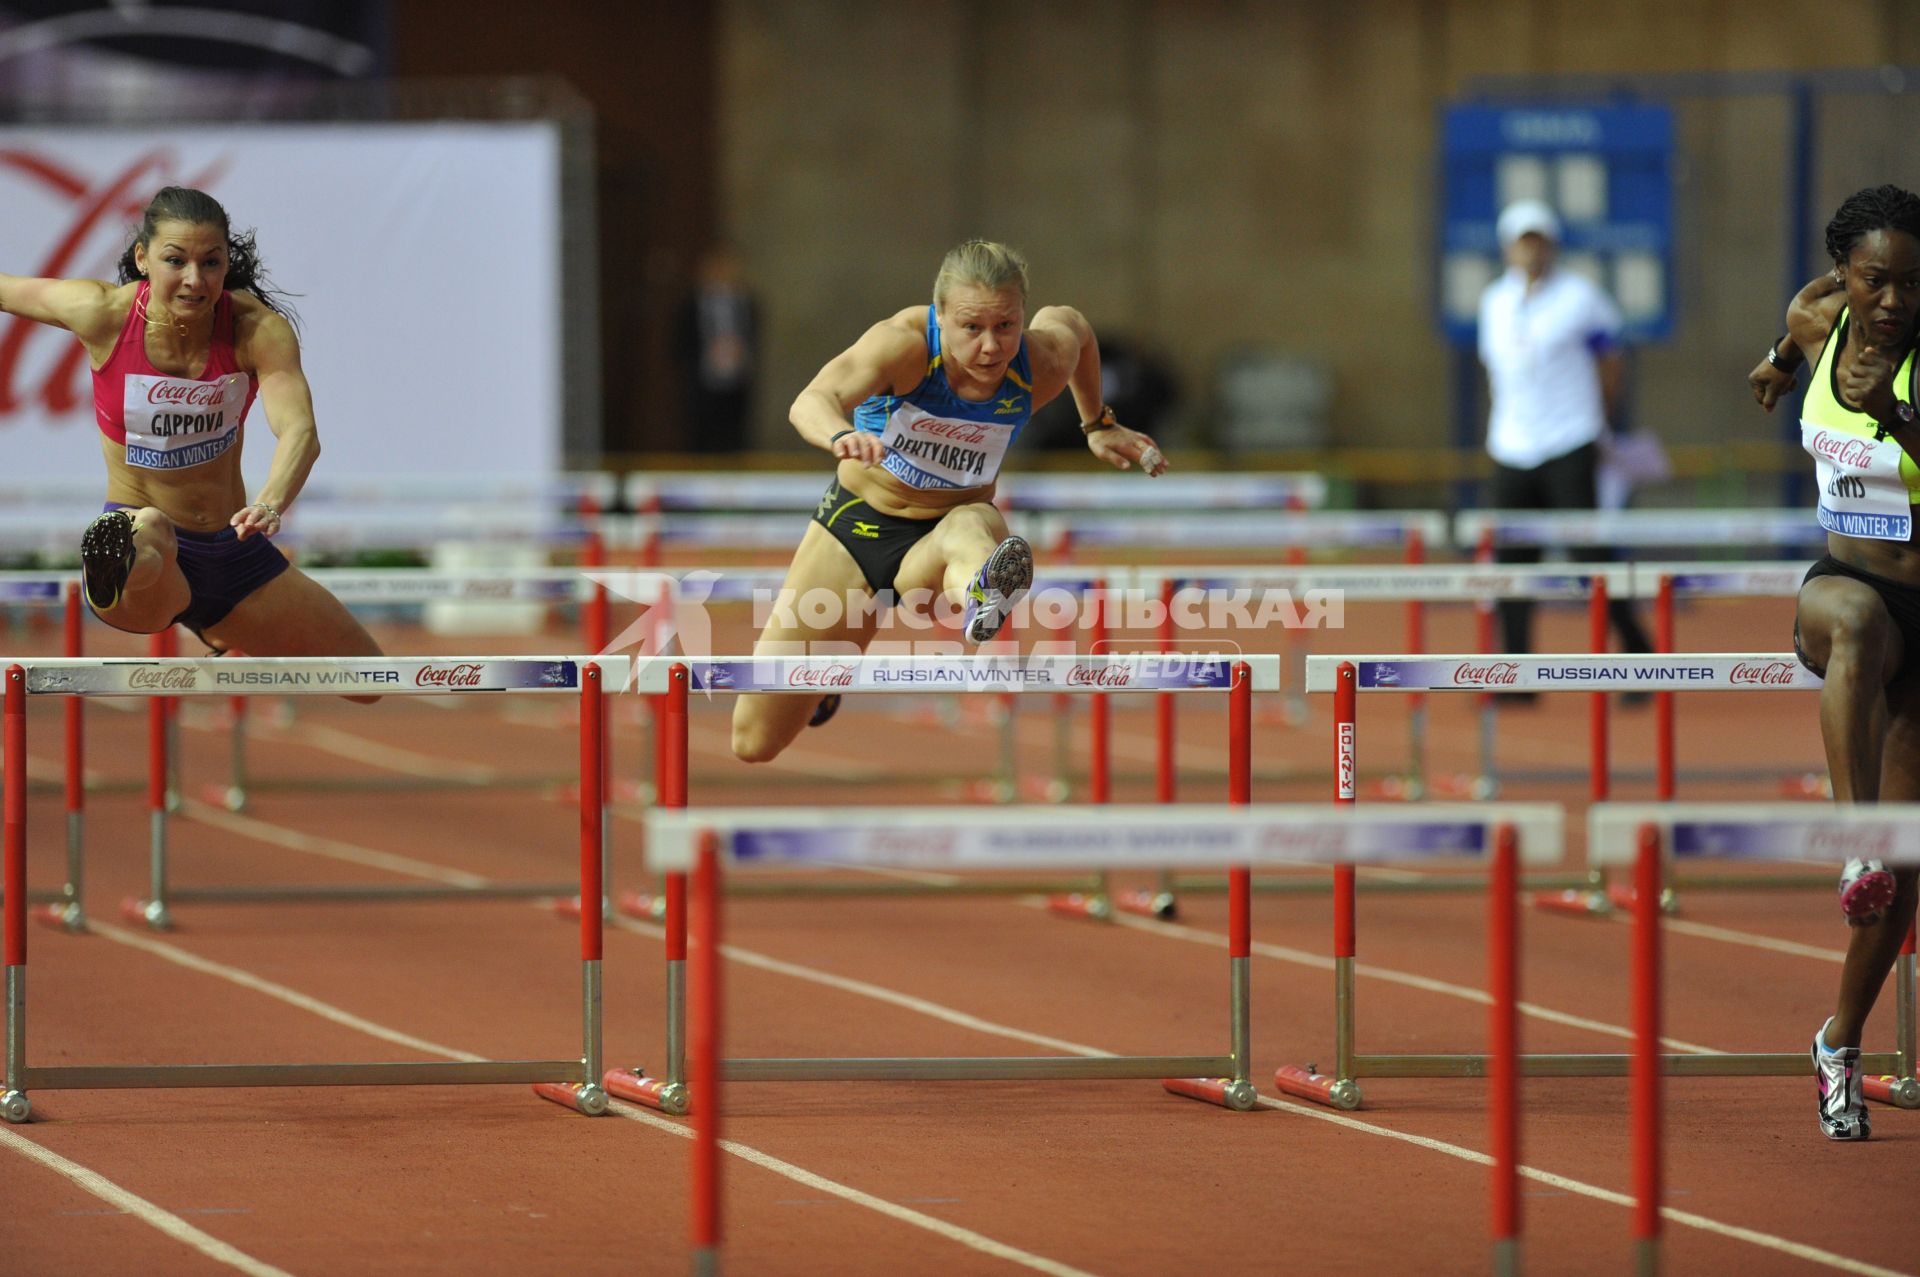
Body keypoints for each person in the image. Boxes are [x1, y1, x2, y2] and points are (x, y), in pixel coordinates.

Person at [730, 239, 1167, 764]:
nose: (990, 347)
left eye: (1005, 326)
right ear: (940, 317)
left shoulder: (1040, 362)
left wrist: (1097, 424)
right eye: (971, 327)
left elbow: (1076, 327)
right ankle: (826, 682)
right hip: (855, 531)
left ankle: (982, 594)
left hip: (947, 536)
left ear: (1021, 318)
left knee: (970, 527)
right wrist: (837, 433)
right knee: (753, 742)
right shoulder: (903, 346)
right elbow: (811, 401)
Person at [0, 185, 381, 675]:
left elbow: (300, 430)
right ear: (143, 258)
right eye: (175, 261)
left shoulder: (256, 330)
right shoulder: (101, 313)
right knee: (151, 527)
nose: (194, 281)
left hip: (235, 551)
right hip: (148, 558)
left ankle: (219, 626)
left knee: (367, 677)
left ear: (227, 263)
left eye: (211, 263)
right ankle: (115, 557)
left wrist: (270, 502)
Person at [1753, 183, 1920, 1141]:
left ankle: (1839, 1041)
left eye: (1910, 283)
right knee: (1852, 620)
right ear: (1842, 276)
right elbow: (1793, 342)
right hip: (1849, 583)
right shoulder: (1818, 317)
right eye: (1875, 280)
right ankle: (1852, 840)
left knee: (1902, 886)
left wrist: (1893, 421)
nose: (1893, 301)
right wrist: (1777, 367)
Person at [1477, 199, 1654, 678]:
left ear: (1551, 245)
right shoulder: (1493, 302)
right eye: (1521, 241)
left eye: (1538, 240)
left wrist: (1599, 421)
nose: (1530, 250)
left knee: (1590, 558)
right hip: (1511, 446)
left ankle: (1641, 656)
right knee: (1512, 564)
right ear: (1508, 248)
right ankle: (1516, 674)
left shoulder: (1581, 297)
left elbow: (1612, 361)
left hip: (1569, 441)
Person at [676, 245, 759, 455]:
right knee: (702, 433)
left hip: (737, 377)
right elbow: (680, 341)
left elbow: (753, 336)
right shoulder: (690, 303)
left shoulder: (746, 302)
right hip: (702, 380)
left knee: (734, 433)